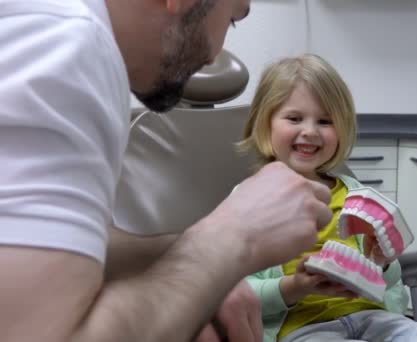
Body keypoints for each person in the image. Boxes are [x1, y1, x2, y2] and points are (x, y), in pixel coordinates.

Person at [0, 1, 333, 341]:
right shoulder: (68, 43)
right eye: (232, 20)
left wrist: (196, 272)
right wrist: (231, 239)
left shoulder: (36, 26)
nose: (216, 53)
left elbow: (53, 238)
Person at [237, 54, 417, 342]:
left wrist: (382, 261)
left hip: (375, 318)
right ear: (265, 123)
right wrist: (295, 286)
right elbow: (237, 296)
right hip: (304, 330)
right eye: (294, 118)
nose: (309, 131)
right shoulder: (248, 203)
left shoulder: (356, 195)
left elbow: (389, 281)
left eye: (325, 121)